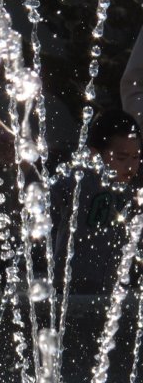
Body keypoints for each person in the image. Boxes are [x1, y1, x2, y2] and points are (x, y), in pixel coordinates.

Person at [51, 109, 142, 294]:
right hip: (69, 291)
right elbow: (45, 196)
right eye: (122, 158)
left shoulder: (132, 191)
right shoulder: (79, 181)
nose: (130, 166)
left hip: (113, 291)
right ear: (94, 155)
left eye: (136, 157)